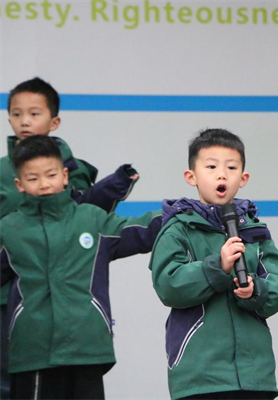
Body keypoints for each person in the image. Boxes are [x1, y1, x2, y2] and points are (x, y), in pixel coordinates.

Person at [0, 77, 139, 396]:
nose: (25, 121)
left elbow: (83, 217)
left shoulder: (74, 170)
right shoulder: (2, 173)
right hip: (14, 300)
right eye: (17, 114)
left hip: (66, 303)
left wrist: (114, 186)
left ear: (54, 121)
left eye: (34, 113)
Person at [149, 128, 278, 400]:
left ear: (243, 178)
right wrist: (217, 266)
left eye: (231, 167)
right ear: (191, 176)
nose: (222, 175)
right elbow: (168, 284)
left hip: (255, 376)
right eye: (211, 167)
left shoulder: (254, 229)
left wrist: (255, 290)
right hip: (200, 377)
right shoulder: (178, 229)